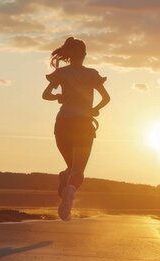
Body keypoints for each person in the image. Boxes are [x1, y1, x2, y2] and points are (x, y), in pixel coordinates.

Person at [42, 37, 110, 221]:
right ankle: (70, 190)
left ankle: (65, 180)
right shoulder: (92, 74)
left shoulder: (62, 73)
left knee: (71, 168)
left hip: (63, 123)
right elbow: (106, 98)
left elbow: (45, 95)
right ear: (85, 55)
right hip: (83, 124)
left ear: (68, 56)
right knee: (77, 171)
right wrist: (95, 109)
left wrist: (59, 96)